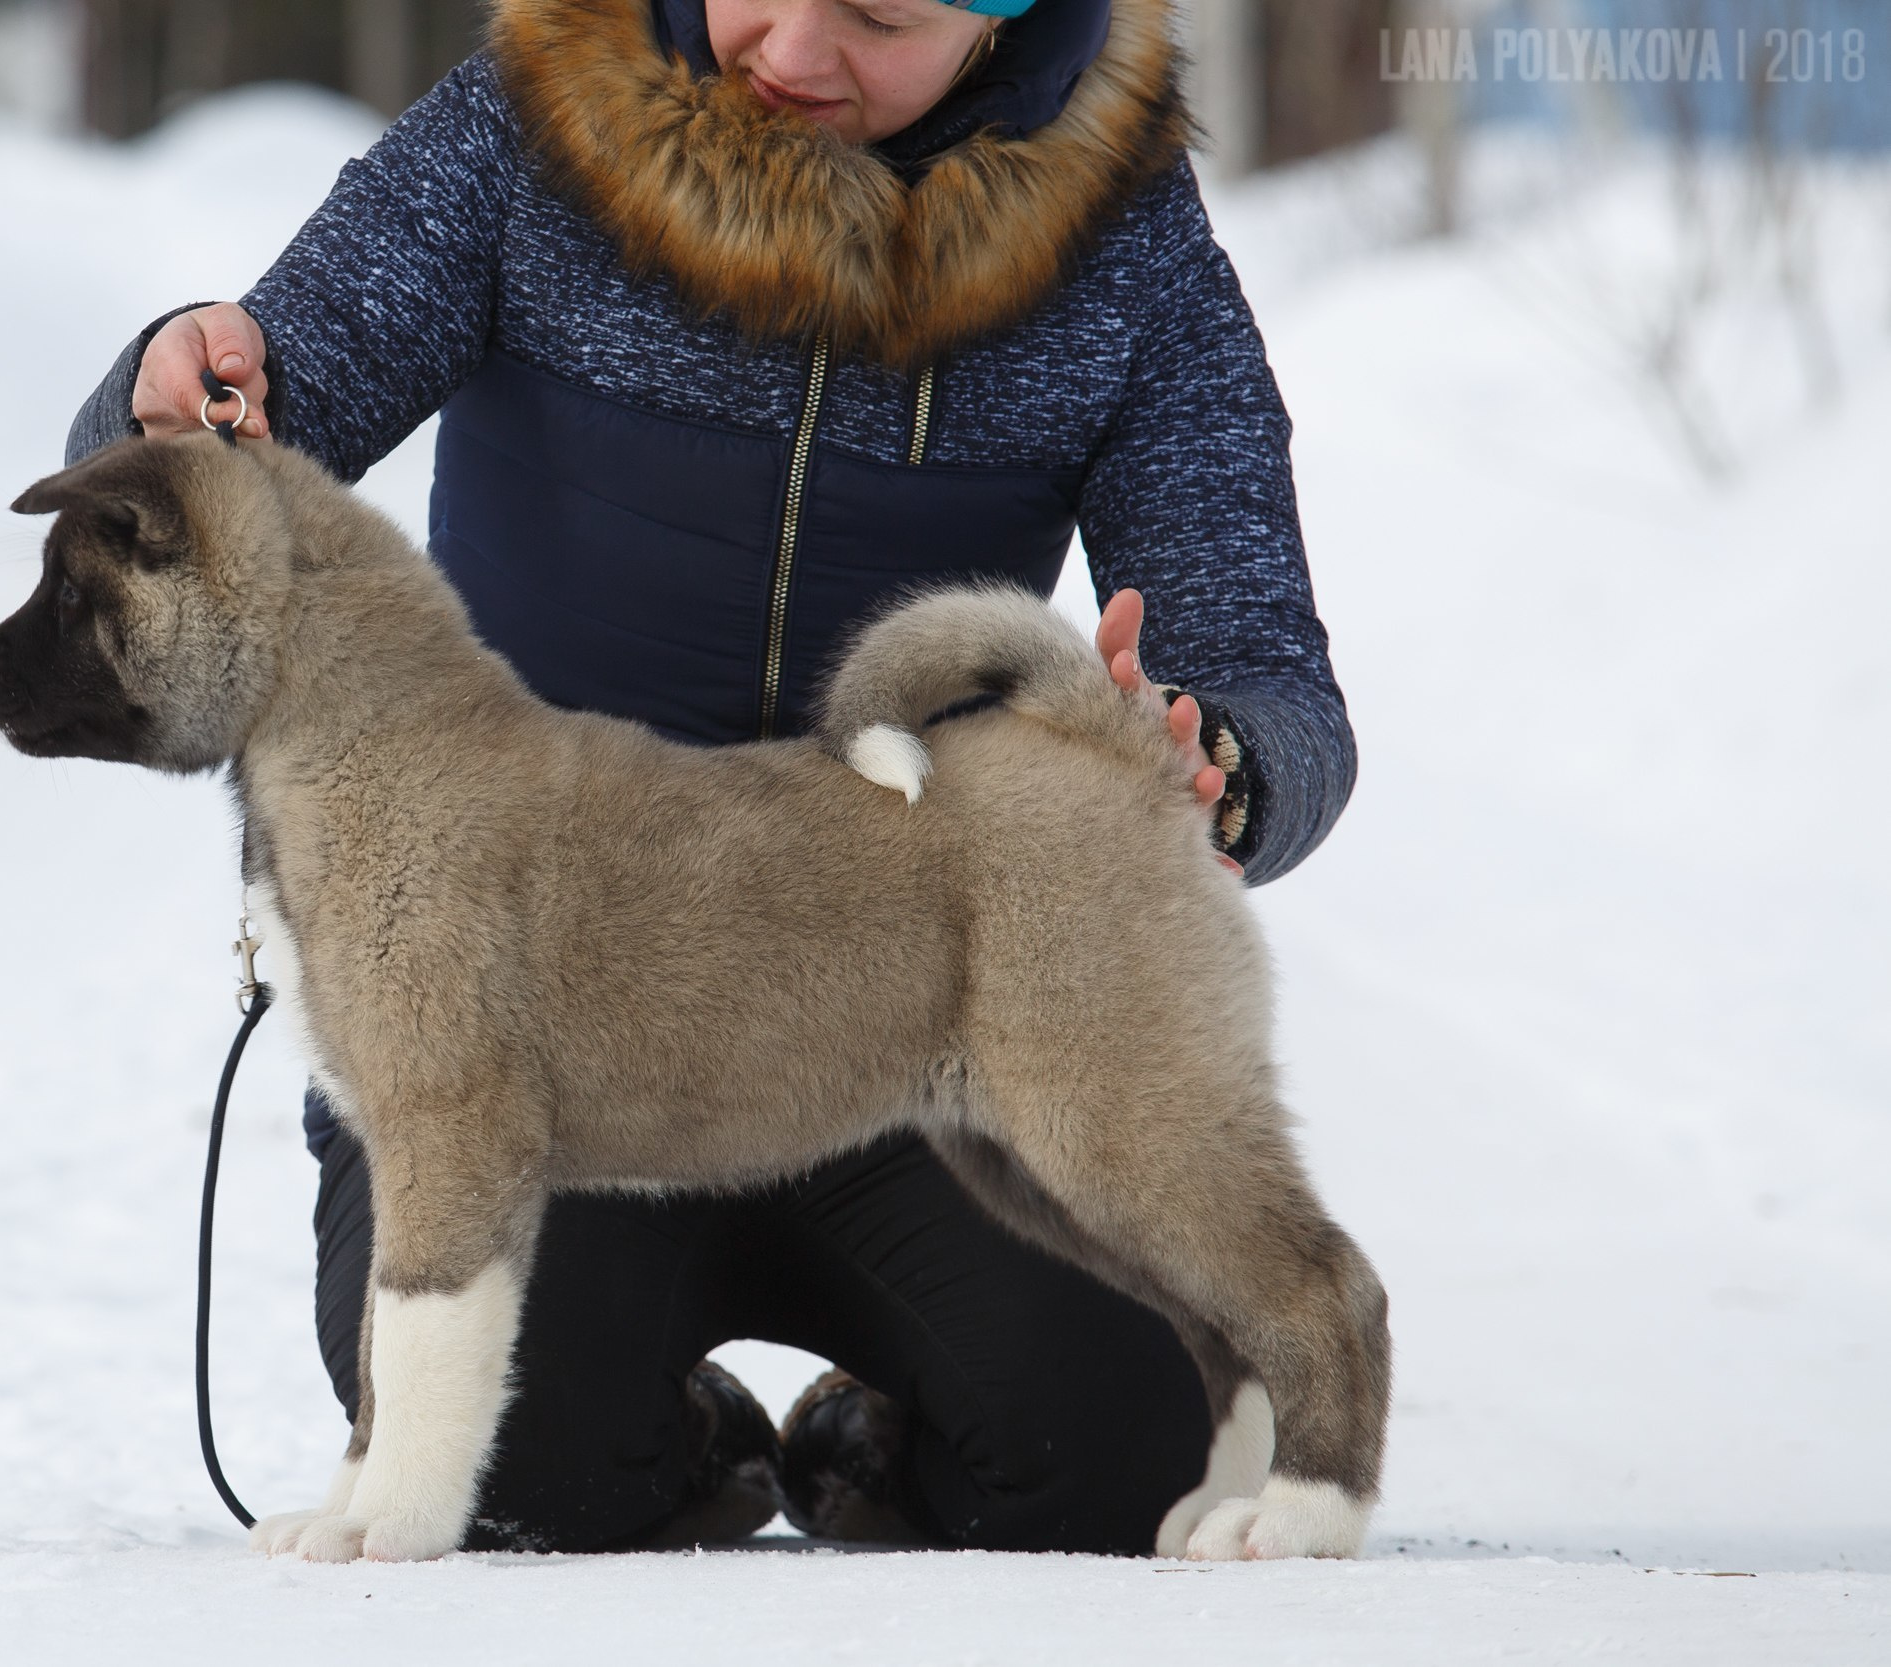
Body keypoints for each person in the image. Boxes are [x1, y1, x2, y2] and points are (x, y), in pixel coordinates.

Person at [66, 0, 1355, 1554]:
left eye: (877, 14)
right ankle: (681, 1448)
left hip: (902, 1017)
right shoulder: (527, 131)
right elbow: (228, 464)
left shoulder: (1127, 254)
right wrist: (166, 385)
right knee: (514, 1465)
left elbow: (1266, 677)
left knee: (1113, 1457)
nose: (797, 51)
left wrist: (1220, 756)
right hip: (541, 1012)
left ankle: (875, 1441)